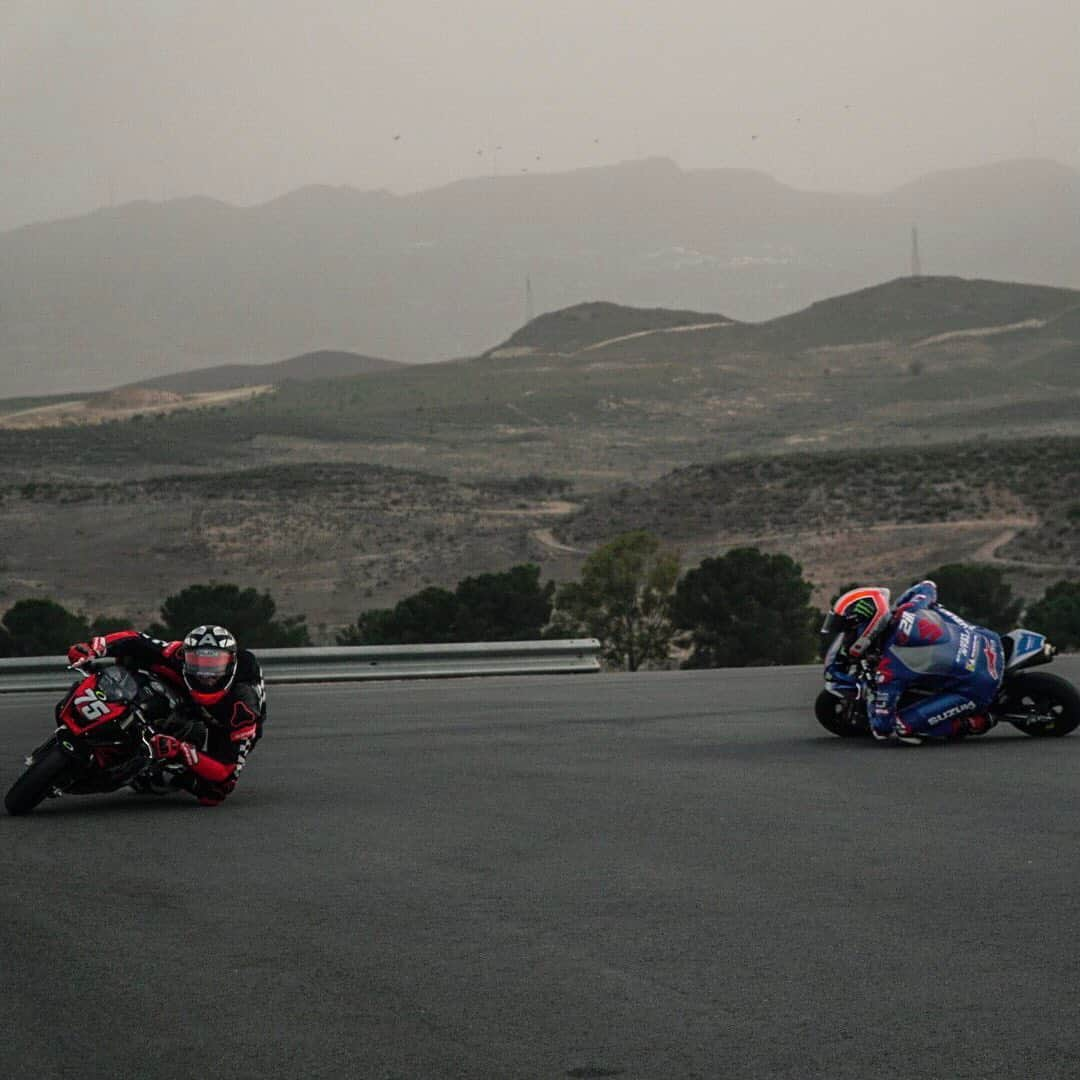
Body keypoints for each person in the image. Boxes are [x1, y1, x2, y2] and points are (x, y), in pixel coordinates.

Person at [67, 624, 265, 804]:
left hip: (220, 720)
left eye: (214, 666)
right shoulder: (177, 654)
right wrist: (95, 647)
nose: (205, 675)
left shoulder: (243, 708)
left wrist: (181, 752)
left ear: (229, 665)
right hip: (183, 692)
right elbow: (136, 639)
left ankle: (167, 771)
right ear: (185, 657)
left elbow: (224, 771)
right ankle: (108, 717)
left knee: (215, 791)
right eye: (198, 663)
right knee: (134, 658)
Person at [822, 580, 1004, 743]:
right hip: (987, 641)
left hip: (978, 684)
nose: (846, 637)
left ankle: (978, 721)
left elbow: (881, 729)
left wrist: (868, 693)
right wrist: (900, 603)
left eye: (849, 631)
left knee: (903, 727)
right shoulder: (908, 609)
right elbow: (928, 586)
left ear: (870, 625)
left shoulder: (889, 666)